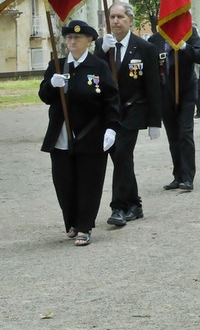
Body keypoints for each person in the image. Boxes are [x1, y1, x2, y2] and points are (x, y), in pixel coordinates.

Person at [39, 20, 120, 246]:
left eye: (78, 38)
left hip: (90, 134)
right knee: (64, 182)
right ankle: (72, 221)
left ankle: (85, 226)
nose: (72, 41)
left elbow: (111, 100)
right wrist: (50, 85)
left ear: (89, 41)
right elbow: (45, 96)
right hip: (61, 135)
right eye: (69, 38)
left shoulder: (98, 66)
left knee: (89, 182)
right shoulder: (57, 64)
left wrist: (112, 128)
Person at [96, 3, 162, 228]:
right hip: (110, 112)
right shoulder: (102, 45)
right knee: (120, 158)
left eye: (120, 17)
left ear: (130, 20)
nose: (115, 21)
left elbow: (153, 85)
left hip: (133, 110)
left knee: (122, 153)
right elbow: (94, 75)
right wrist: (100, 52)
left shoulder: (144, 48)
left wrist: (155, 121)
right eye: (112, 17)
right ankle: (135, 204)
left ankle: (118, 207)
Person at [149, 26, 200, 191]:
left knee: (185, 133)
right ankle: (178, 175)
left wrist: (185, 46)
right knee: (173, 136)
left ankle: (188, 177)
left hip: (186, 90)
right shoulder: (154, 40)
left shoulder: (189, 33)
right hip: (165, 92)